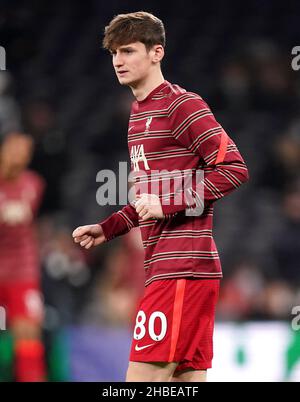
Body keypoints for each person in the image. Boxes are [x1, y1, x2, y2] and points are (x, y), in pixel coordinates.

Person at [72, 11, 249, 382]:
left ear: (157, 53)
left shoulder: (181, 105)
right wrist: (109, 228)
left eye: (129, 51)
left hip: (181, 269)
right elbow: (149, 197)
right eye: (113, 53)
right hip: (172, 269)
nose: (119, 61)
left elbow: (234, 168)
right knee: (184, 382)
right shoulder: (138, 114)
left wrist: (168, 203)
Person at [0, 132, 46, 381]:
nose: (19, 155)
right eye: (14, 149)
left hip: (22, 270)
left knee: (28, 330)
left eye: (25, 151)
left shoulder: (34, 185)